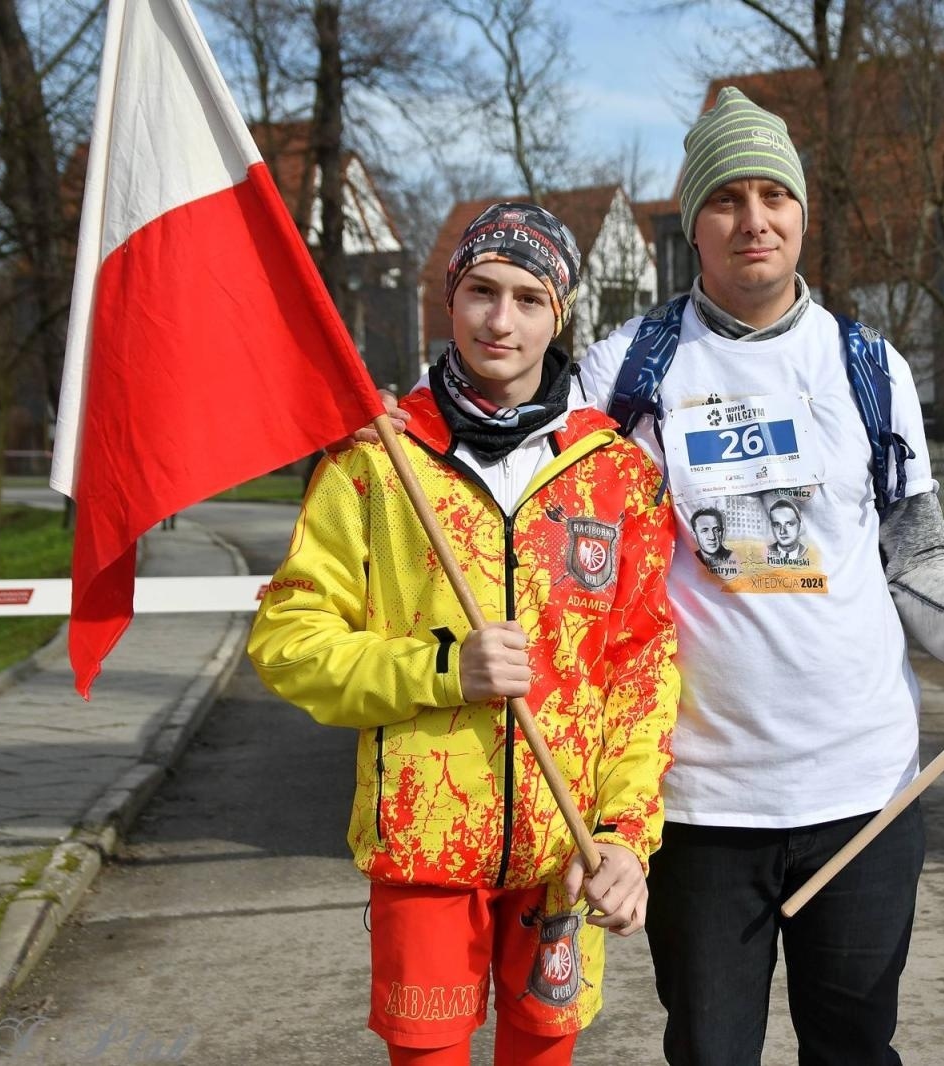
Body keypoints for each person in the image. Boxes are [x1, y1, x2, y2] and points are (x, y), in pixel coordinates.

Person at [369, 89, 944, 1066]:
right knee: (711, 1053)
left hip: (863, 789)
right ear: (693, 225)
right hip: (704, 801)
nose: (752, 219)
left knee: (854, 1047)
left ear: (801, 214)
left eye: (772, 196)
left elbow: (915, 561)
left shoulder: (869, 368)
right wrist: (399, 419)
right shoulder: (624, 372)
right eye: (725, 198)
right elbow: (508, 444)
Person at [248, 202, 679, 1066]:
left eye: (527, 297)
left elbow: (642, 669)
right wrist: (442, 668)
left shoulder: (616, 476)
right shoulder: (377, 458)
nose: (501, 319)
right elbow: (287, 641)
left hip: (564, 856)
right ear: (452, 301)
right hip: (424, 855)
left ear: (560, 314)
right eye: (482, 291)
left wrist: (628, 836)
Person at [689, 506, 738, 577]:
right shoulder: (690, 560)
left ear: (722, 532)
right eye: (704, 531)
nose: (712, 537)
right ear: (694, 535)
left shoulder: (733, 558)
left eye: (716, 530)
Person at [763, 496, 809, 565]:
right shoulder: (765, 552)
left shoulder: (809, 552)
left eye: (789, 524)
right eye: (776, 525)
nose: (782, 531)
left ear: (800, 524)